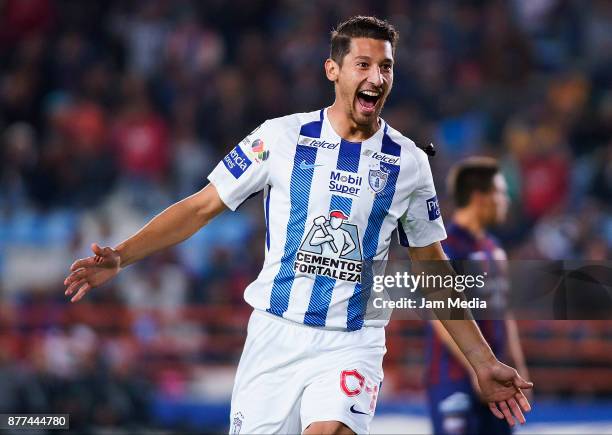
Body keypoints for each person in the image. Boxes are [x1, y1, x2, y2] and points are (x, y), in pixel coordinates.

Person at [64, 16, 532, 434]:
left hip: (353, 341)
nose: (376, 77)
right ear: (334, 71)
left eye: (385, 67)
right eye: (363, 65)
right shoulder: (279, 138)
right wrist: (123, 255)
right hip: (275, 335)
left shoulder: (408, 163)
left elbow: (432, 267)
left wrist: (483, 362)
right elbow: (201, 207)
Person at [425, 157, 530, 435]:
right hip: (454, 378)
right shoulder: (445, 246)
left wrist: (519, 367)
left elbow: (503, 313)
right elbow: (441, 313)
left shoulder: (494, 249)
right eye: (501, 192)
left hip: (498, 378)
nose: (506, 200)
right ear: (480, 197)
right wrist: (476, 369)